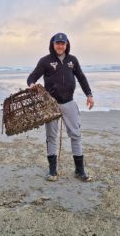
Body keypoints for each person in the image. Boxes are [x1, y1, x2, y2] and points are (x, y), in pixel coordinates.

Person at [27, 32, 94, 182]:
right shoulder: (45, 61)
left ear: (66, 45)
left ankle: (79, 170)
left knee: (76, 135)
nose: (60, 46)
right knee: (51, 137)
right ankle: (52, 171)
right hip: (51, 104)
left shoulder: (72, 60)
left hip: (69, 103)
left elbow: (82, 77)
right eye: (57, 43)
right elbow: (32, 77)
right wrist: (31, 85)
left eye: (63, 43)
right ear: (53, 44)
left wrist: (89, 95)